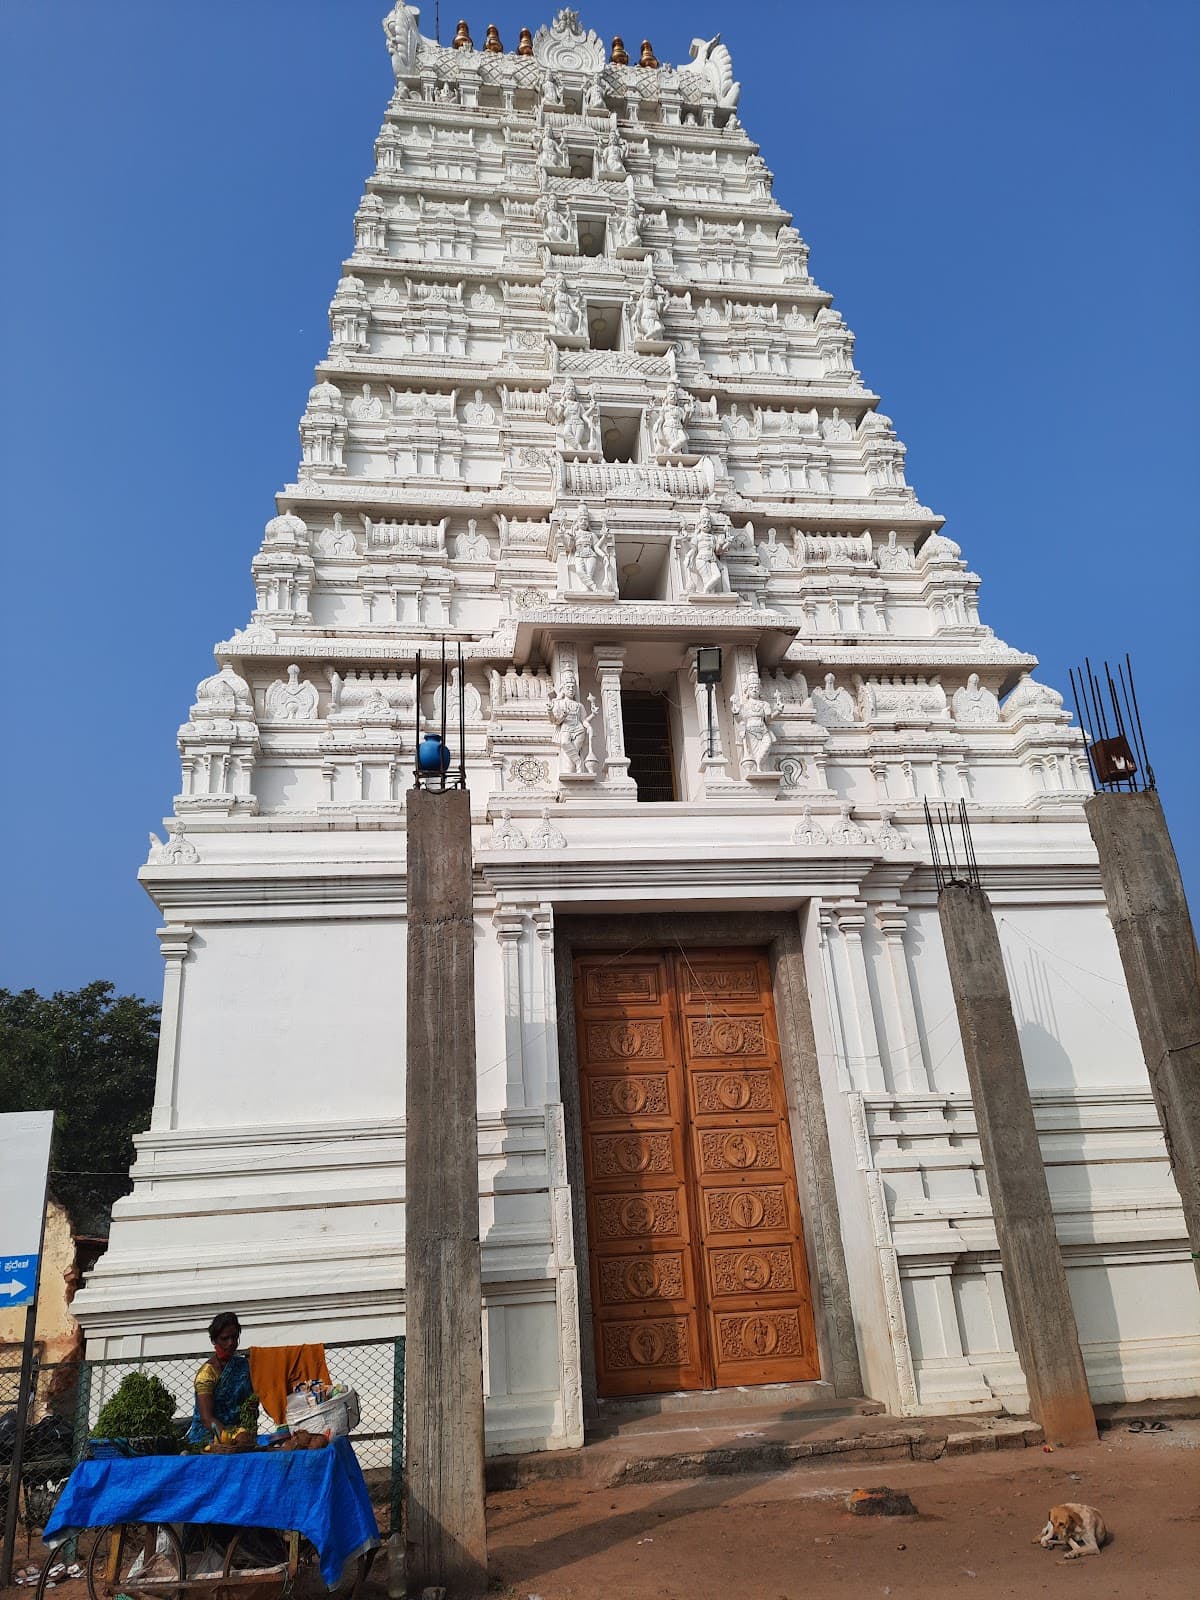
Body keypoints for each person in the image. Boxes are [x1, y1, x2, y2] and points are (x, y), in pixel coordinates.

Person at [186, 1311, 257, 1444]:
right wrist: (229, 1438)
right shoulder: (206, 1374)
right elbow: (207, 1418)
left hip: (241, 1435)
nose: (231, 1343)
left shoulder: (244, 1366)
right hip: (208, 1438)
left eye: (234, 1337)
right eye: (225, 1338)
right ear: (214, 1340)